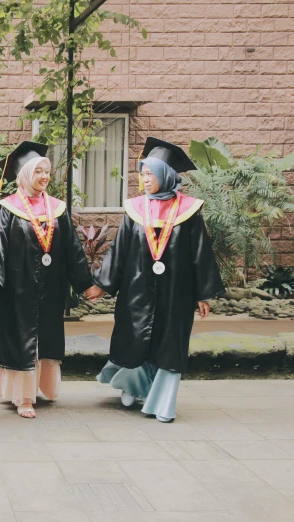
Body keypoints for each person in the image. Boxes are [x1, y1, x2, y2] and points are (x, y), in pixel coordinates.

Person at [86, 137, 224, 422]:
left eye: (150, 174)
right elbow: (120, 249)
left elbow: (200, 253)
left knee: (170, 345)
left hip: (177, 293)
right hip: (137, 291)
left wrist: (202, 294)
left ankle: (161, 405)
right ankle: (131, 386)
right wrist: (103, 283)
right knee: (134, 339)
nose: (145, 179)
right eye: (143, 173)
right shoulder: (136, 209)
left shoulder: (189, 211)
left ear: (166, 175)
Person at [0, 142, 93, 418]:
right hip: (15, 290)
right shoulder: (7, 209)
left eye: (47, 171)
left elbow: (72, 249)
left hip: (50, 288)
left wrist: (85, 283)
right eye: (38, 172)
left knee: (45, 337)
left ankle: (41, 387)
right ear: (24, 175)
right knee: (21, 340)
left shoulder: (57, 209)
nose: (44, 177)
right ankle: (23, 398)